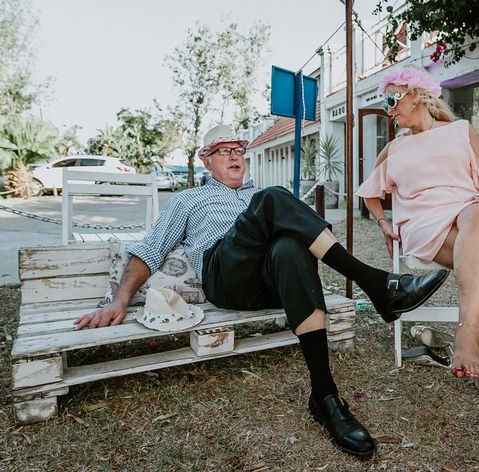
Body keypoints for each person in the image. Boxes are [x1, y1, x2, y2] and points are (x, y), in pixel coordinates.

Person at [73, 124, 449, 458]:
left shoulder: (264, 197)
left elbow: (304, 241)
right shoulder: (189, 200)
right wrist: (120, 299)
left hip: (272, 282)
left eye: (239, 149)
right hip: (227, 278)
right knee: (271, 199)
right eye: (225, 150)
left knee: (288, 246)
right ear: (207, 161)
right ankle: (378, 284)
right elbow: (151, 250)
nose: (235, 155)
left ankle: (325, 397)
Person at [356, 67, 479, 420]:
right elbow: (370, 193)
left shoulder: (460, 132)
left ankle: (467, 335)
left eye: (392, 99)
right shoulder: (394, 148)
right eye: (384, 102)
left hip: (470, 213)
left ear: (417, 94)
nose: (388, 108)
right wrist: (383, 223)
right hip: (423, 225)